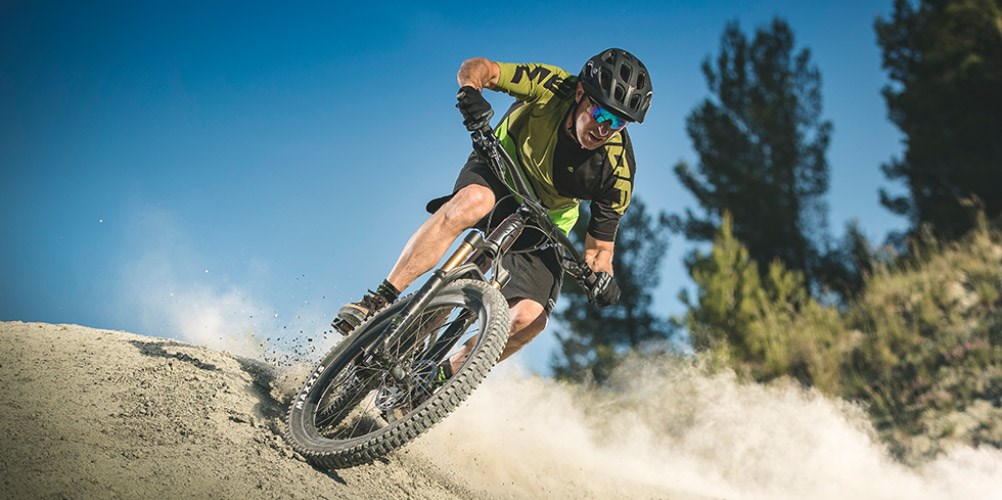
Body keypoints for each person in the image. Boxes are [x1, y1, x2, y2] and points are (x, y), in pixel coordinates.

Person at [332, 48, 653, 378]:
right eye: (602, 114)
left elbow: (599, 249)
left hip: (544, 222)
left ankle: (436, 381)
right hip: (499, 171)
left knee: (531, 318)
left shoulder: (618, 169)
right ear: (581, 93)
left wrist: (602, 278)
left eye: (618, 123)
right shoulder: (553, 85)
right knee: (474, 201)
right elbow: (480, 68)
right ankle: (379, 300)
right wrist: (470, 91)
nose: (605, 129)